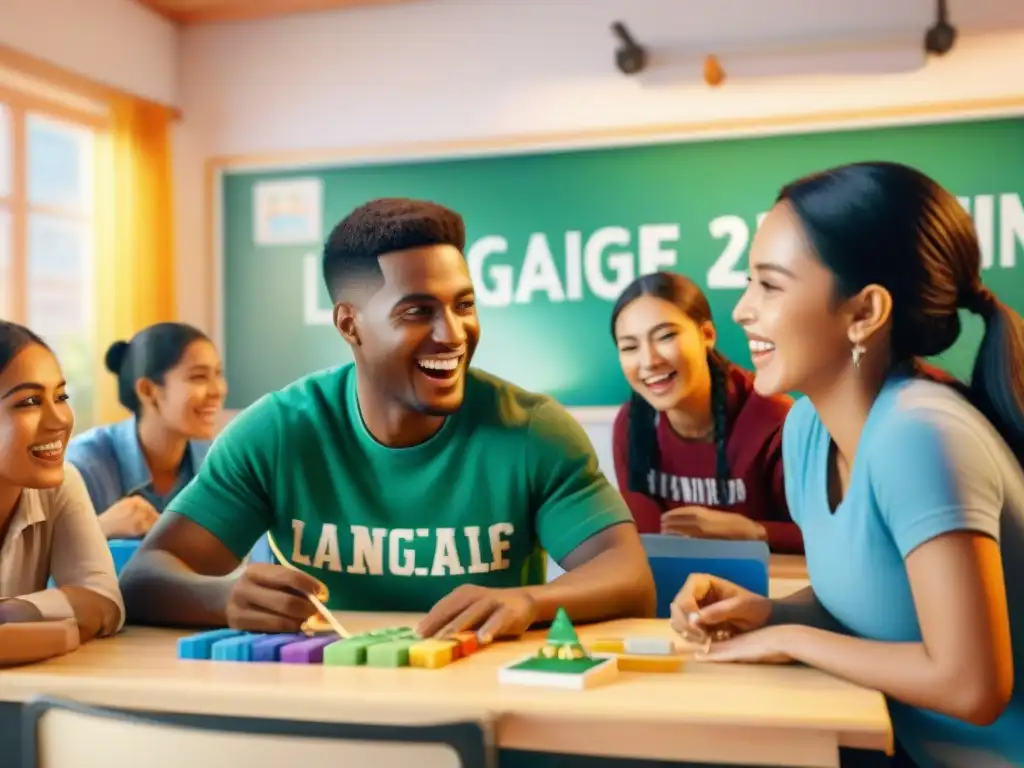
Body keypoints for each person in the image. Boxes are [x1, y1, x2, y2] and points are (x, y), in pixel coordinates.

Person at [119, 198, 656, 643]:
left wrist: (529, 601)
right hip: (320, 706)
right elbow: (145, 577)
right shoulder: (277, 432)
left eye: (463, 305)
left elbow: (629, 575)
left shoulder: (532, 431)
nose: (452, 334)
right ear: (349, 324)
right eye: (417, 312)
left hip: (482, 707)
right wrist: (222, 596)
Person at [671, 162, 1023, 768]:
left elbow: (974, 686)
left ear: (864, 312)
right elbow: (882, 601)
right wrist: (768, 611)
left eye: (770, 286)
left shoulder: (920, 435)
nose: (741, 311)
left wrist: (791, 638)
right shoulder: (808, 428)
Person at [611, 272, 801, 553]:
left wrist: (753, 531)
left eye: (665, 336)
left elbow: (829, 538)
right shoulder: (631, 425)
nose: (649, 361)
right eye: (630, 347)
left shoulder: (776, 420)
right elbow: (647, 544)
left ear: (707, 335)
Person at [0, 321, 124, 652]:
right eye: (29, 402)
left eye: (60, 396)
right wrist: (64, 629)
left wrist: (18, 611)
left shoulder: (60, 482)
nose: (60, 420)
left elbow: (105, 601)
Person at [66, 324, 226, 541]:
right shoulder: (84, 466)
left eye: (218, 374)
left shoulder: (217, 465)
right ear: (148, 390)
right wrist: (99, 528)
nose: (218, 390)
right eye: (199, 377)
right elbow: (40, 561)